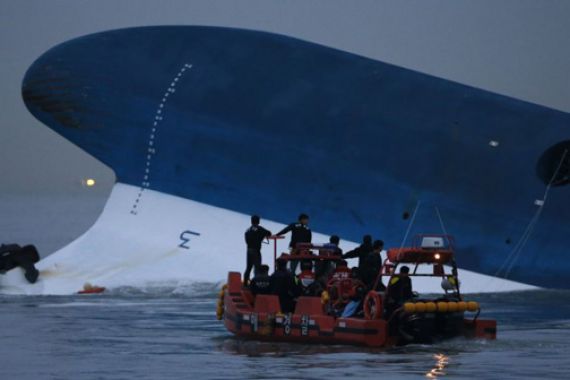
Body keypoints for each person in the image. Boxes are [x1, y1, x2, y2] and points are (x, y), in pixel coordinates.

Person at [244, 215, 272, 283]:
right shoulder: (259, 229)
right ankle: (256, 283)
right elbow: (269, 233)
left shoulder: (248, 229)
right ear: (258, 221)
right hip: (256, 251)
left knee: (248, 268)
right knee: (257, 268)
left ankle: (245, 283)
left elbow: (247, 239)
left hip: (249, 250)